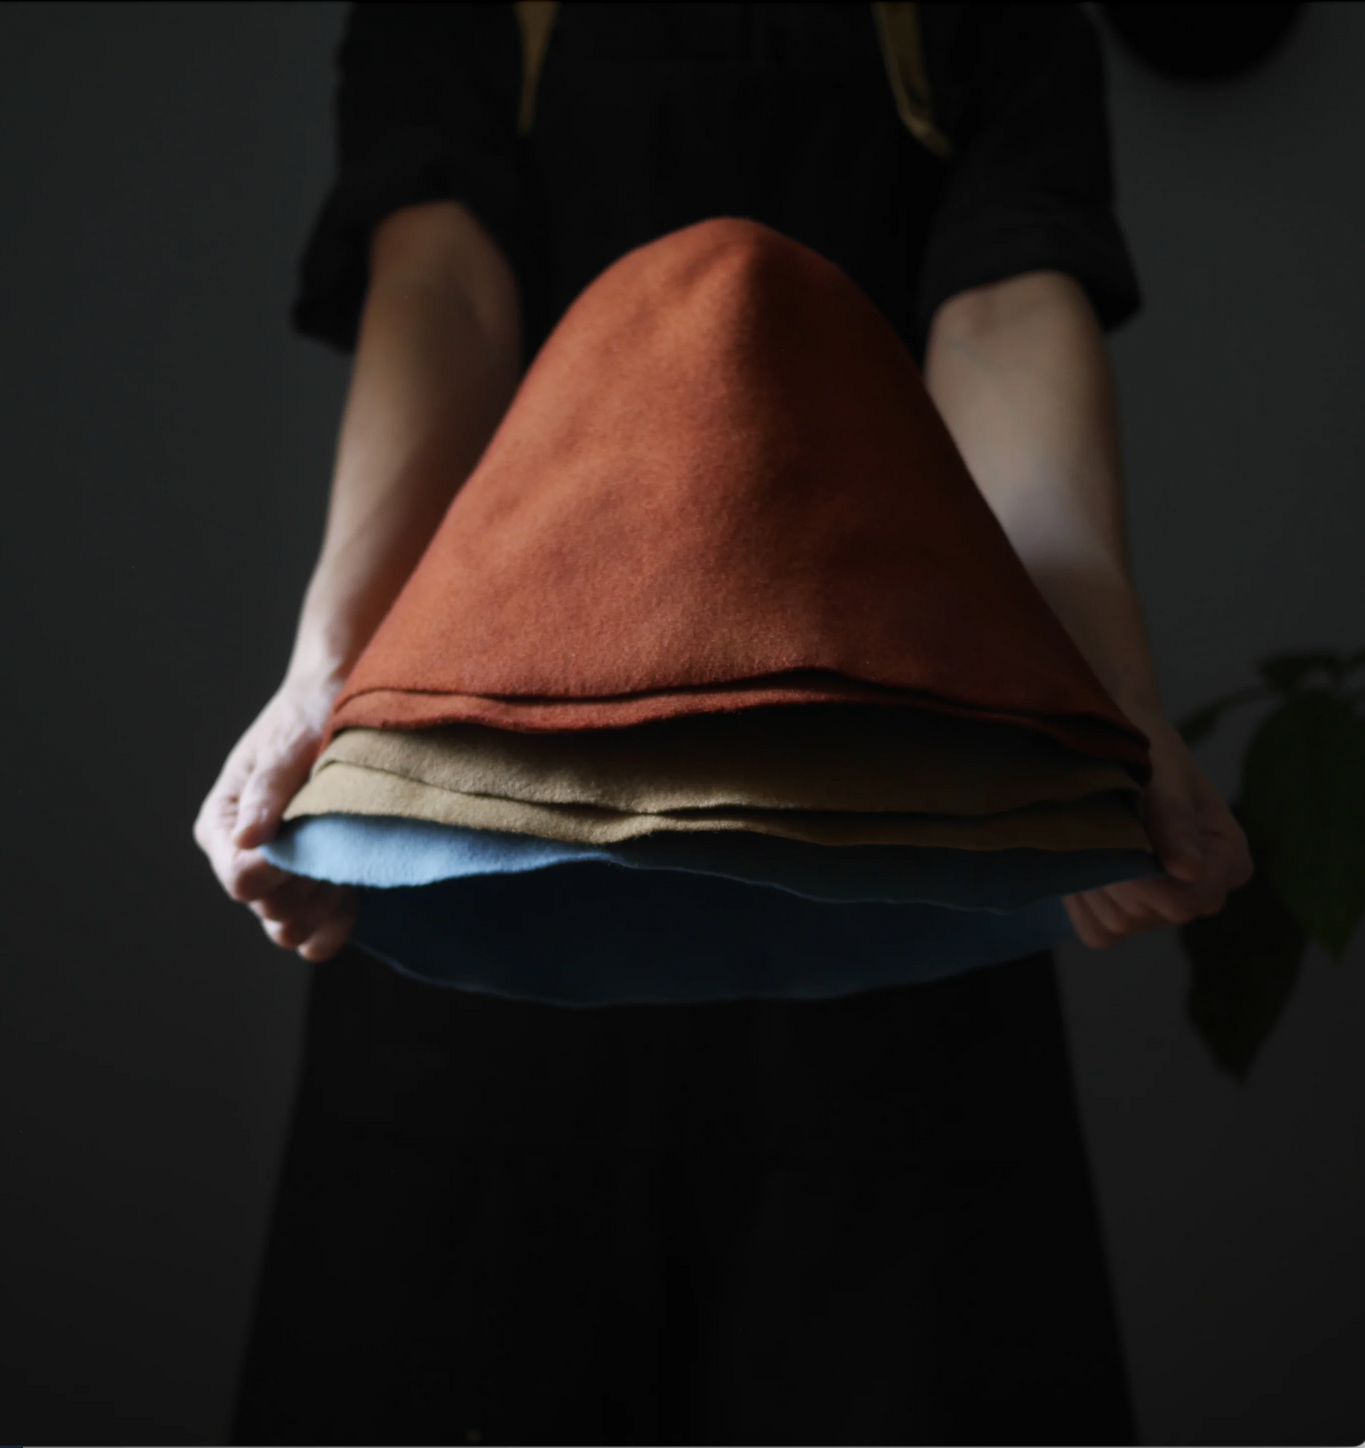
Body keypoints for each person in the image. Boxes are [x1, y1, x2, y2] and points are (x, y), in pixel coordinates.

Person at [194, 5, 1252, 1443]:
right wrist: (325, 680)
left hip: (900, 853)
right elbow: (443, 282)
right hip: (481, 848)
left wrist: (1108, 708)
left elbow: (1004, 303)